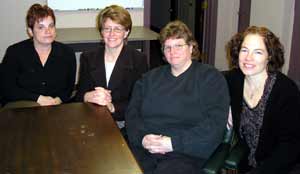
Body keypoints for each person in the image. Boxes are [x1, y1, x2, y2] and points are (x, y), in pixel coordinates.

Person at [125, 20, 230, 174]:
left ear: (191, 47)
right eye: (168, 47)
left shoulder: (210, 78)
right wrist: (143, 138)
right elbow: (132, 113)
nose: (172, 52)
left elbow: (214, 124)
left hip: (186, 152)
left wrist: (173, 143)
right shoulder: (148, 79)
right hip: (146, 147)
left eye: (178, 45)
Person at [225, 26, 300, 174]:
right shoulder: (233, 80)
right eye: (244, 50)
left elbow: (290, 148)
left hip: (284, 167)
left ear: (269, 56)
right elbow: (205, 83)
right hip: (248, 164)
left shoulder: (286, 90)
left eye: (258, 52)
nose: (248, 58)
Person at [75, 5, 148, 130]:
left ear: (126, 32)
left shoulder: (138, 59)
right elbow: (79, 95)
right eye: (107, 29)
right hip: (92, 118)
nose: (111, 34)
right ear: (101, 31)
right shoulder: (88, 57)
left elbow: (141, 100)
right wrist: (88, 96)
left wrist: (112, 107)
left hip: (123, 121)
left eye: (117, 29)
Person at [1, 4, 76, 107]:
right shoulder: (15, 52)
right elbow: (7, 88)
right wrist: (38, 99)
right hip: (23, 109)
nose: (48, 31)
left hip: (56, 108)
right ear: (30, 31)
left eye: (51, 25)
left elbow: (69, 88)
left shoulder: (67, 53)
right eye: (41, 27)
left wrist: (59, 99)